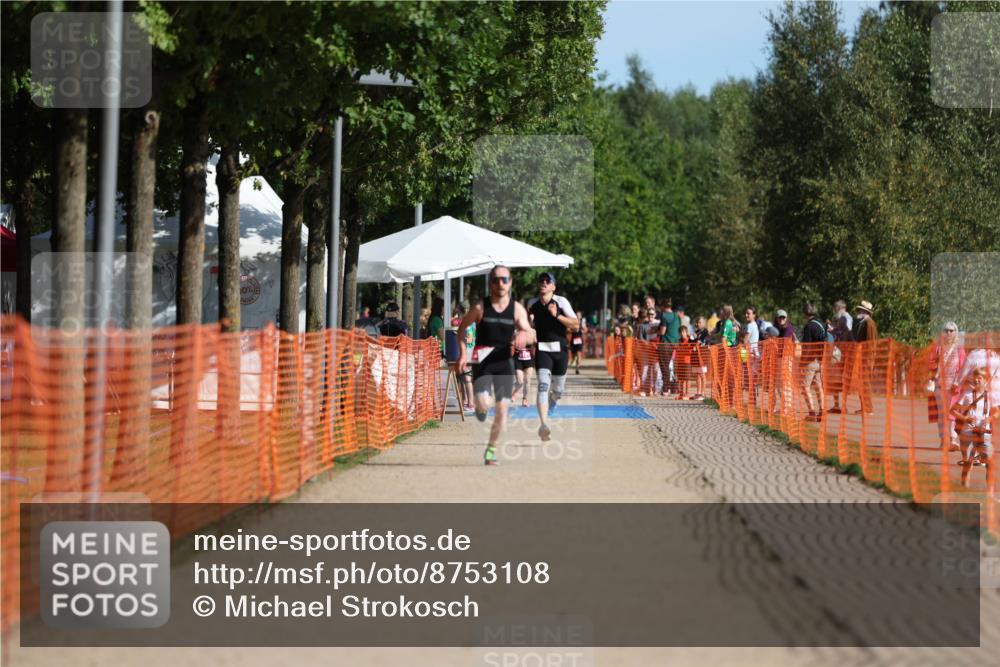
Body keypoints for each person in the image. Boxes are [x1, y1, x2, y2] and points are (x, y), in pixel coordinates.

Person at [455, 266, 535, 465]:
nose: (500, 283)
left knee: (502, 409)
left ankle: (490, 451)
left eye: (504, 280)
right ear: (490, 283)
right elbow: (462, 328)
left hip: (504, 362)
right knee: (482, 403)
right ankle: (481, 408)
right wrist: (463, 354)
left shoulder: (516, 309)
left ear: (510, 282)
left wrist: (524, 335)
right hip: (482, 360)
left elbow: (531, 332)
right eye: (496, 280)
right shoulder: (480, 307)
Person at [528, 272, 579, 442]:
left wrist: (557, 315)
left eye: (547, 281)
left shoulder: (561, 302)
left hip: (561, 351)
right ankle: (544, 424)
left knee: (558, 391)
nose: (543, 283)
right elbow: (528, 325)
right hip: (542, 350)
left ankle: (550, 410)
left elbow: (576, 325)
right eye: (541, 280)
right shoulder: (532, 303)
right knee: (543, 385)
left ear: (553, 286)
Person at [951, 367, 997, 489]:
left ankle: (990, 494)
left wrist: (989, 419)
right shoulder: (966, 395)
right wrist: (965, 419)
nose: (976, 380)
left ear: (986, 380)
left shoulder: (991, 396)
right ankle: (964, 491)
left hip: (984, 434)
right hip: (967, 433)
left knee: (990, 464)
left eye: (979, 378)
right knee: (968, 464)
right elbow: (952, 410)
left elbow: (997, 411)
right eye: (974, 377)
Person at [928, 321, 966, 451]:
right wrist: (933, 374)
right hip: (939, 386)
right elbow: (930, 363)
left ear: (956, 333)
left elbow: (963, 368)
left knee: (952, 414)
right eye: (946, 330)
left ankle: (953, 440)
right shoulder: (938, 347)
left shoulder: (960, 349)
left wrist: (958, 382)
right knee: (941, 413)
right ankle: (943, 440)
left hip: (954, 387)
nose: (949, 333)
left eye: (951, 330)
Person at [849, 300, 878, 415]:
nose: (858, 311)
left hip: (867, 358)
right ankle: (863, 407)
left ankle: (868, 408)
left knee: (865, 383)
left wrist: (868, 359)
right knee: (862, 382)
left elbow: (870, 343)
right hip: (863, 357)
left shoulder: (869, 323)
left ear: (866, 311)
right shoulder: (864, 322)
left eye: (861, 310)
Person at [800, 302, 827, 422]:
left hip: (810, 361)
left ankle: (811, 412)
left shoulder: (809, 326)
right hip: (820, 360)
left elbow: (807, 346)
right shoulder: (821, 324)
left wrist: (802, 361)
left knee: (805, 387)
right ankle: (822, 411)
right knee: (818, 386)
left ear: (805, 313)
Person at [657, 298, 680, 396]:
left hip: (665, 344)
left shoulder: (664, 316)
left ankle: (666, 389)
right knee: (672, 367)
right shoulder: (677, 316)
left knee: (665, 367)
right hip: (675, 344)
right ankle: (674, 388)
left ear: (663, 306)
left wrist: (654, 331)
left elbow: (662, 331)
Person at [637, 307, 661, 395]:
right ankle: (644, 388)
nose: (650, 316)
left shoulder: (658, 326)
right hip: (645, 351)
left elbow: (661, 336)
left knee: (655, 370)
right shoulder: (642, 326)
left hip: (655, 351)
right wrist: (648, 344)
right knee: (645, 369)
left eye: (652, 314)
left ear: (655, 315)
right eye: (649, 314)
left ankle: (655, 389)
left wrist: (655, 345)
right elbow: (640, 338)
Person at [513, 324, 534, 409]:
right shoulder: (515, 332)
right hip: (518, 359)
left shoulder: (533, 331)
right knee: (520, 381)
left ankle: (525, 399)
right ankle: (513, 393)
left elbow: (535, 342)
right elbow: (512, 343)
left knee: (527, 380)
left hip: (529, 359)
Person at [570, 310, 587, 375]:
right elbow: (568, 328)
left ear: (581, 316)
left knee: (578, 354)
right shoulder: (573, 321)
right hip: (573, 339)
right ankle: (574, 360)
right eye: (576, 315)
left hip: (579, 340)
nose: (578, 316)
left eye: (579, 315)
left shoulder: (582, 322)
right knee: (574, 355)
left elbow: (585, 329)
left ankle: (577, 368)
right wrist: (573, 329)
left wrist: (582, 328)